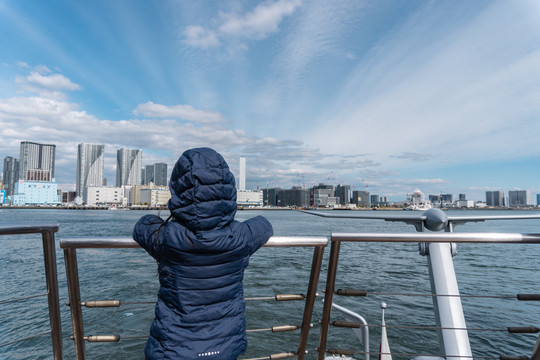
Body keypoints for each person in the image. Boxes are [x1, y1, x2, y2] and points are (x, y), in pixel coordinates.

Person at [133, 147, 273, 360]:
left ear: (178, 189)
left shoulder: (166, 237)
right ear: (228, 188)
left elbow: (142, 225)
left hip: (172, 349)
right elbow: (264, 224)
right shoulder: (241, 236)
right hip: (226, 346)